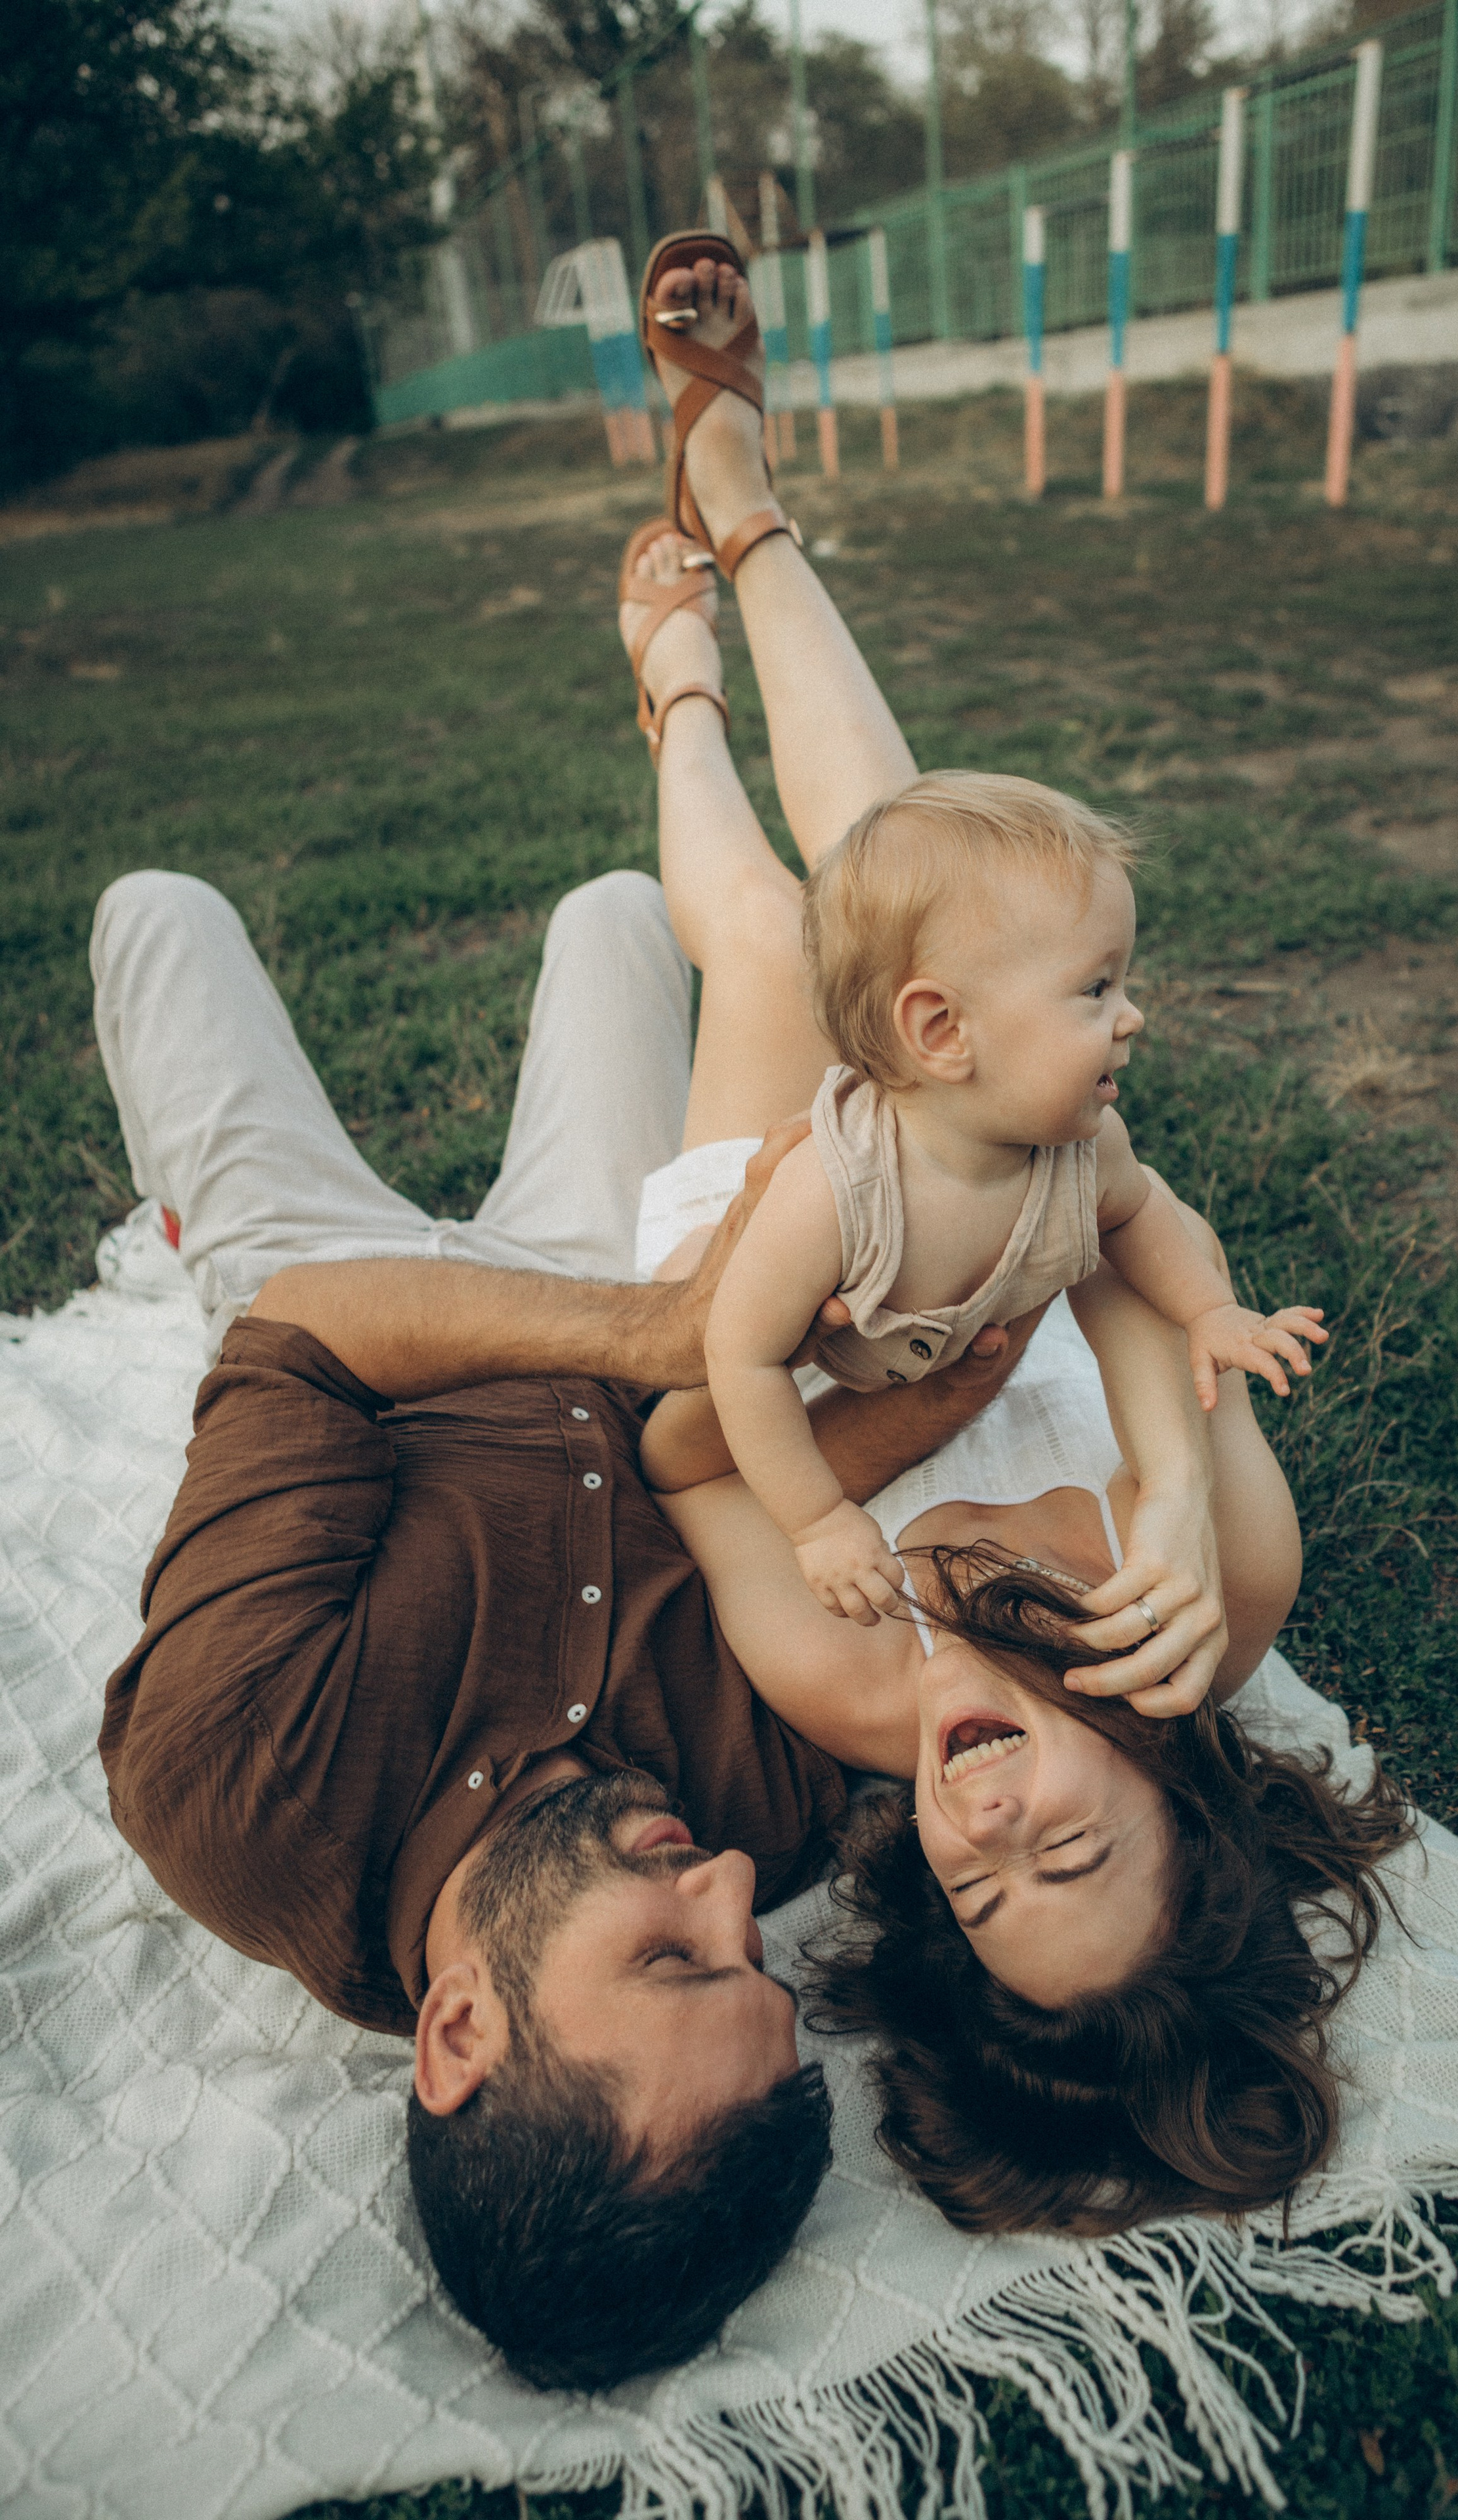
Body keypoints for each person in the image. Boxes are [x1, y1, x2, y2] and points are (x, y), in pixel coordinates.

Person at [621, 243, 1413, 2241]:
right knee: (890, 856)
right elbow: (1141, 1292)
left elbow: (688, 1448)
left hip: (774, 1293)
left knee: (756, 938)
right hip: (989, 1230)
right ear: (1182, 1801)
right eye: (1069, 1856)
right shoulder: (1216, 1601)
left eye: (976, 1890)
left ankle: (679, 695)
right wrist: (1168, 1480)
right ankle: (747, 501)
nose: (986, 1827)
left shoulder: (841, 1674)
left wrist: (868, 1464)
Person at [89, 827, 1025, 2373]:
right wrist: (934, 1393)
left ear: (460, 2031)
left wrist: (665, 1329)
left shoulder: (237, 1786)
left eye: (669, 1956)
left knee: (157, 907)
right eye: (749, 1961)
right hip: (601, 1281)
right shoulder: (765, 1811)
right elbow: (726, 1486)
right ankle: (669, 692)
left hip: (358, 1289)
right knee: (614, 913)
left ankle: (185, 1215)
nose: (732, 1886)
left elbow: (305, 1337)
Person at [703, 771, 1327, 1626]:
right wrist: (816, 1522)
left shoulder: (1085, 1148)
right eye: (1097, 988)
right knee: (670, 1442)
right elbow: (743, 1359)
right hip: (738, 1296)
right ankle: (686, 709)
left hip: (917, 1359)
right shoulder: (830, 1198)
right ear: (943, 1033)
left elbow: (1138, 1217)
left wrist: (1210, 1308)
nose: (1133, 1016)